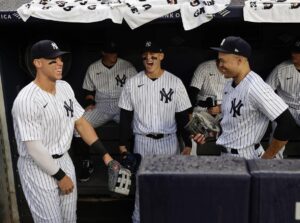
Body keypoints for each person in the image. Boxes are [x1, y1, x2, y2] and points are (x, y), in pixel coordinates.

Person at [12, 40, 120, 222]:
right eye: (52, 60)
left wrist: (106, 156)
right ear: (38, 63)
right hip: (37, 167)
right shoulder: (26, 100)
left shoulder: (65, 87)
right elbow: (34, 149)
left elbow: (81, 123)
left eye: (60, 59)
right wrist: (60, 176)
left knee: (70, 218)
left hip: (64, 159)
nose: (60, 63)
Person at [118, 40, 192, 223]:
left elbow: (182, 116)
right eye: (145, 55)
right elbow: (125, 117)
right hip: (142, 142)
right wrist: (122, 146)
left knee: (170, 187)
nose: (149, 58)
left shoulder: (175, 82)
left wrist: (188, 143)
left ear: (161, 56)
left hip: (168, 141)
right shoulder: (132, 83)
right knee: (142, 189)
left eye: (153, 55)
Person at [193, 36, 298, 159]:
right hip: (225, 155)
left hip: (247, 157)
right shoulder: (229, 84)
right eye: (218, 61)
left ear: (239, 60)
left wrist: (267, 159)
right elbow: (232, 120)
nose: (219, 65)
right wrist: (206, 133)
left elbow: (287, 124)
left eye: (223, 61)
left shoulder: (256, 87)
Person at [74, 40, 137, 182]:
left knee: (138, 126)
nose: (113, 55)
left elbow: (137, 87)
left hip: (123, 104)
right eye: (110, 52)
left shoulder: (127, 66)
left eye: (115, 52)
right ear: (103, 52)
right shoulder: (93, 68)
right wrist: (90, 102)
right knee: (78, 127)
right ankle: (86, 161)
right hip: (100, 105)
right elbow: (89, 91)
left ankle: (131, 161)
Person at [266, 38, 300, 158]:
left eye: (298, 52)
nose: (294, 54)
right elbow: (266, 90)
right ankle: (275, 163)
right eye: (294, 51)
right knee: (277, 129)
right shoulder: (281, 69)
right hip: (285, 107)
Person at [189, 59, 228, 155]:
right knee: (192, 132)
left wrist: (221, 108)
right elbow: (191, 95)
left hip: (225, 110)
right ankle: (190, 163)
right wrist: (189, 120)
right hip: (202, 110)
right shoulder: (204, 67)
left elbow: (241, 98)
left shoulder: (234, 70)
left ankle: (228, 161)